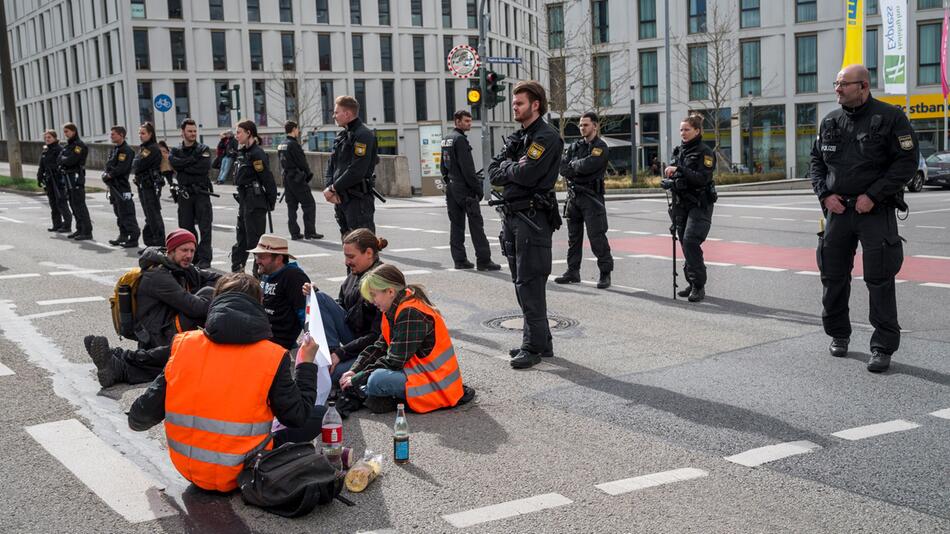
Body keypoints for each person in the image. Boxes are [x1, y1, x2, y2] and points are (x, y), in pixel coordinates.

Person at [127, 273, 319, 493]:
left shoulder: (184, 345)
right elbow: (297, 416)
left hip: (188, 467)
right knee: (318, 414)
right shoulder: (272, 355)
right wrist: (305, 364)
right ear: (259, 305)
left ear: (216, 301)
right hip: (244, 468)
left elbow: (139, 419)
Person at [809, 64, 917, 373]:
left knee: (879, 278)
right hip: (838, 211)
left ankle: (882, 347)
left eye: (844, 84)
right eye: (837, 83)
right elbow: (816, 161)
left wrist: (874, 195)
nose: (838, 89)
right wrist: (824, 195)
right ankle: (839, 334)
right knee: (832, 275)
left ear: (864, 87)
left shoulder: (891, 118)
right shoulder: (830, 120)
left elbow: (906, 163)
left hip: (874, 211)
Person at [487, 81, 563, 369]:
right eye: (514, 102)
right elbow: (494, 171)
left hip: (532, 218)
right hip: (513, 216)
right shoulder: (521, 136)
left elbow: (528, 173)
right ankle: (542, 342)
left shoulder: (546, 137)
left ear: (536, 105)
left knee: (529, 283)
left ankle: (532, 347)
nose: (514, 107)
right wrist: (510, 168)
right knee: (521, 283)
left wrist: (510, 168)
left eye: (519, 103)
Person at [84, 229, 220, 386]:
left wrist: (240, 282)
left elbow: (213, 277)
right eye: (184, 250)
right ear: (171, 250)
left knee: (208, 292)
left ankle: (114, 356)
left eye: (192, 250)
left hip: (164, 328)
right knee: (182, 360)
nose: (189, 255)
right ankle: (119, 367)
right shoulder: (157, 275)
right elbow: (195, 308)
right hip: (156, 335)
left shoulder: (179, 266)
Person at [339, 264, 473, 414]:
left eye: (373, 295)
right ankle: (380, 397)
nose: (371, 301)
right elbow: (379, 347)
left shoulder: (410, 312)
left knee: (376, 380)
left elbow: (394, 360)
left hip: (437, 385)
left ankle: (381, 397)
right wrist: (354, 371)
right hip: (420, 374)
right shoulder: (394, 307)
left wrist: (358, 378)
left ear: (390, 291)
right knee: (351, 376)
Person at [302, 228, 387, 384]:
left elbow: (377, 337)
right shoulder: (354, 274)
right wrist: (315, 294)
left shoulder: (380, 282)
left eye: (351, 256)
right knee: (320, 298)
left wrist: (341, 353)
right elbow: (343, 308)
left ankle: (332, 361)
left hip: (373, 349)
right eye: (346, 256)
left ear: (368, 253)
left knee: (330, 376)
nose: (346, 262)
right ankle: (329, 357)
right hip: (354, 340)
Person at [661, 114, 718, 303]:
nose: (683, 133)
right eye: (681, 130)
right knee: (685, 244)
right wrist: (669, 182)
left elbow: (702, 178)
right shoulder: (678, 151)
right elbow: (678, 177)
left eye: (687, 129)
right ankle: (692, 282)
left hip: (699, 204)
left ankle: (699, 285)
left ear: (697, 131)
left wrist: (679, 170)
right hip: (681, 203)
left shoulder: (705, 152)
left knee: (691, 240)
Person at [555, 112, 613, 289]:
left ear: (595, 126)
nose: (582, 128)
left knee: (597, 236)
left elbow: (591, 165)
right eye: (580, 125)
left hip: (591, 197)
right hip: (574, 197)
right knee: (574, 238)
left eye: (586, 125)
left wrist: (574, 166)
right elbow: (563, 167)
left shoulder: (600, 147)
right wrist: (575, 167)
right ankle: (573, 271)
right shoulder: (574, 147)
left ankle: (605, 273)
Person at [440, 110, 501, 271]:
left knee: (456, 225)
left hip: (452, 188)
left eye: (470, 121)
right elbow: (468, 170)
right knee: (476, 226)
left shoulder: (446, 139)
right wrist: (477, 190)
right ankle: (484, 260)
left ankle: (459, 260)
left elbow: (443, 166)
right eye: (466, 121)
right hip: (465, 189)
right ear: (457, 121)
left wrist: (448, 181)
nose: (469, 124)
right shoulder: (460, 140)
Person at [323, 95, 378, 236]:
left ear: (347, 113)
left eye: (336, 112)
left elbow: (357, 170)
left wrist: (333, 188)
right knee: (348, 244)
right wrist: (330, 189)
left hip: (357, 200)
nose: (333, 116)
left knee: (363, 245)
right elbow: (331, 165)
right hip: (341, 198)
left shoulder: (363, 135)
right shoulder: (341, 136)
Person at [231, 120, 278, 273]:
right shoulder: (244, 153)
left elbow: (267, 178)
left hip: (255, 201)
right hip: (245, 200)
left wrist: (270, 202)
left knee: (256, 242)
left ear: (249, 133)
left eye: (239, 132)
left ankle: (258, 276)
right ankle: (237, 272)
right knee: (241, 239)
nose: (236, 136)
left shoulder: (257, 154)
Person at [250, 234, 311, 350]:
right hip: (261, 331)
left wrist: (309, 342)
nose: (257, 260)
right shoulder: (266, 273)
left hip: (276, 341)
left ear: (278, 259)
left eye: (262, 256)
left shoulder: (293, 276)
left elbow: (305, 313)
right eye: (256, 255)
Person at [168, 119, 214, 269]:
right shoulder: (175, 151)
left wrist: (184, 165)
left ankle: (205, 258)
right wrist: (191, 161)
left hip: (201, 192)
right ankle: (193, 257)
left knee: (205, 227)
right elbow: (174, 163)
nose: (193, 134)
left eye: (194, 131)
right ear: (182, 133)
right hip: (184, 193)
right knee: (186, 227)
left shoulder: (203, 148)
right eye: (190, 131)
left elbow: (203, 168)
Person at [278, 121, 323, 240]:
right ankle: (310, 232)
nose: (298, 131)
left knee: (292, 206)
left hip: (287, 178)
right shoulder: (293, 144)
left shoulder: (281, 144)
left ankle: (294, 233)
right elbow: (302, 162)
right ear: (293, 129)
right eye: (297, 129)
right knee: (309, 204)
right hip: (297, 178)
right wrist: (307, 174)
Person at [102, 126, 141, 248]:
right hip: (114, 186)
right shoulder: (116, 149)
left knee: (127, 212)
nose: (111, 136)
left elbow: (121, 168)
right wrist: (106, 173)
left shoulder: (126, 150)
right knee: (119, 212)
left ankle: (133, 238)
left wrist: (109, 174)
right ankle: (123, 235)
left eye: (113, 134)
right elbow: (109, 164)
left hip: (122, 187)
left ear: (121, 135)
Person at [57, 122, 93, 240]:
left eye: (67, 131)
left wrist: (64, 159)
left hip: (76, 177)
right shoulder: (68, 145)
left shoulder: (79, 145)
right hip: (68, 177)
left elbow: (71, 160)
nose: (65, 134)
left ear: (73, 131)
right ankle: (79, 229)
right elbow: (59, 158)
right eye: (64, 131)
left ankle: (87, 231)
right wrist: (63, 159)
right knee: (73, 204)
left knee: (79, 204)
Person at [132, 123, 166, 247]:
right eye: (139, 133)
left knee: (153, 216)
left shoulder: (151, 148)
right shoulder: (145, 148)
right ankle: (151, 244)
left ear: (150, 134)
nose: (140, 136)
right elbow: (136, 164)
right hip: (143, 185)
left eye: (143, 133)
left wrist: (136, 162)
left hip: (150, 185)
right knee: (149, 216)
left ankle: (160, 245)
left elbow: (137, 165)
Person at [37, 129, 71, 233]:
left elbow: (62, 163)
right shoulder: (46, 150)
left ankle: (67, 225)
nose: (47, 139)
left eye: (49, 137)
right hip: (49, 180)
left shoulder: (59, 149)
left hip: (58, 180)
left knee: (61, 202)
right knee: (53, 203)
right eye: (46, 138)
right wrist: (39, 177)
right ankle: (57, 224)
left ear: (55, 138)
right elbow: (41, 166)